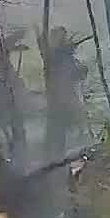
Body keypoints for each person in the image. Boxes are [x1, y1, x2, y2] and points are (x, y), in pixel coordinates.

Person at [42, 27, 89, 159]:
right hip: (61, 102)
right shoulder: (57, 59)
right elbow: (76, 74)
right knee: (61, 135)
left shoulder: (60, 57)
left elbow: (80, 74)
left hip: (63, 101)